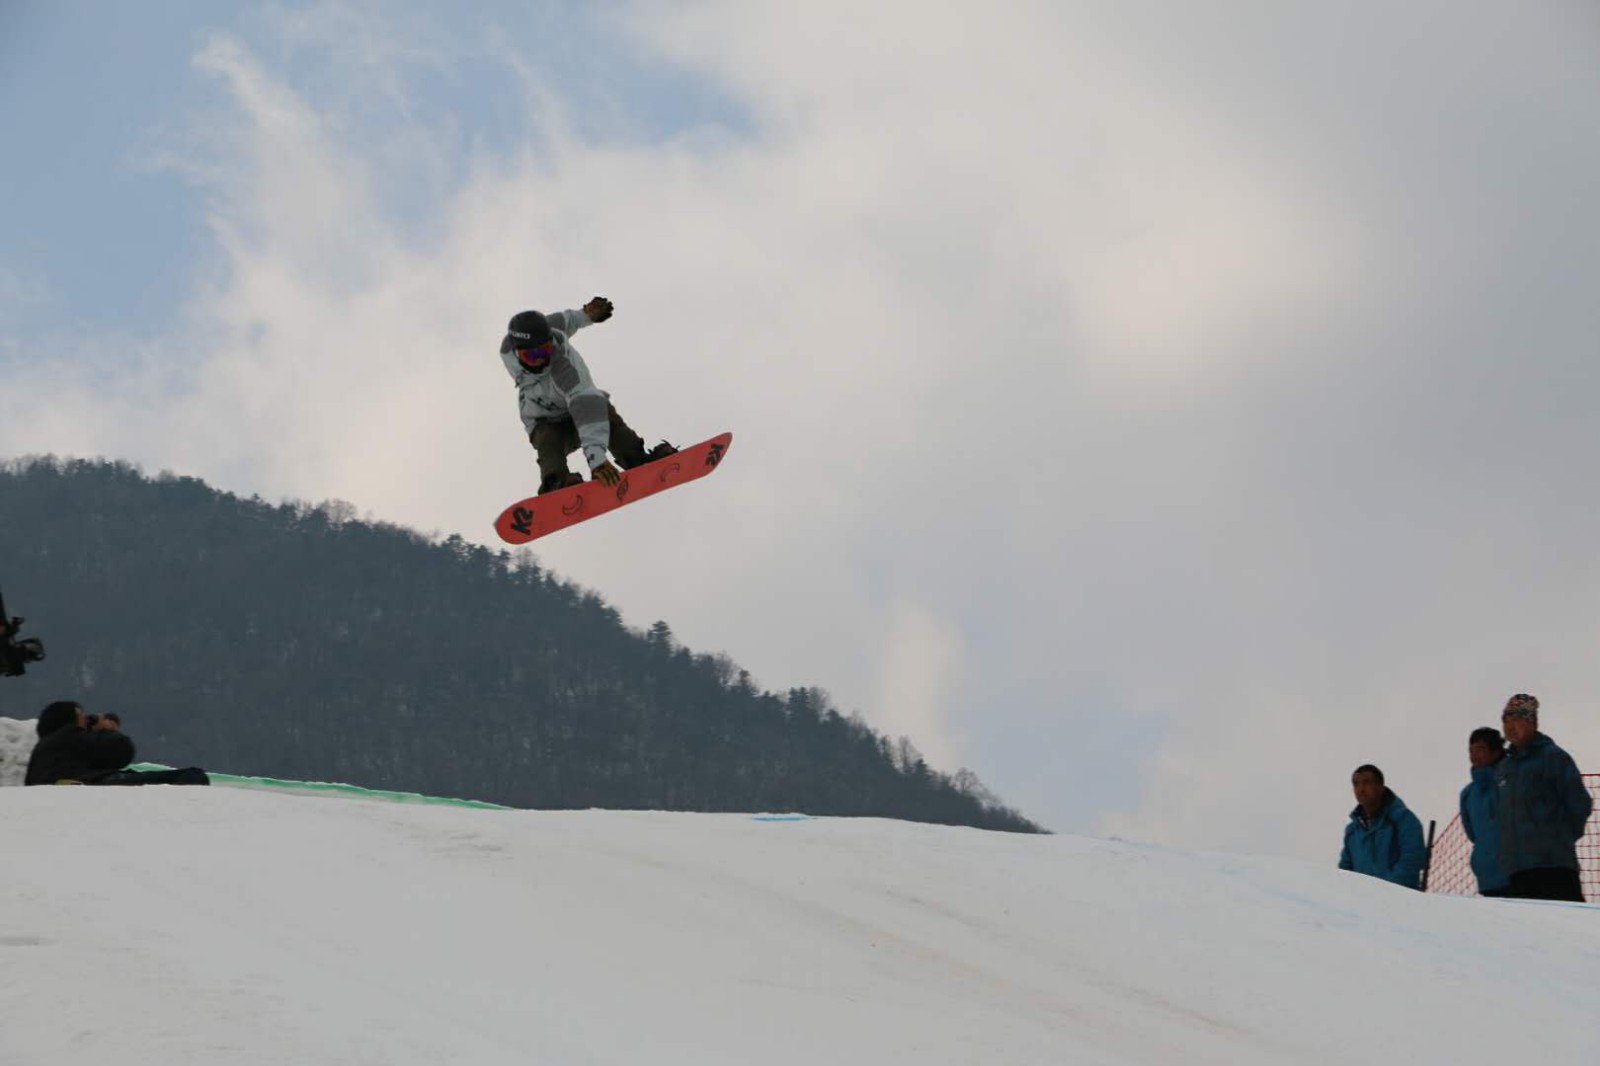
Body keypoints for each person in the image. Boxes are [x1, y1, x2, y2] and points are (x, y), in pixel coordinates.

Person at [499, 297, 676, 496]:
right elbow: (567, 320)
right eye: (531, 356)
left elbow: (588, 410)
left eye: (546, 350)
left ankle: (637, 459)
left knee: (608, 421)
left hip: (585, 409)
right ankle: (557, 482)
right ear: (515, 353)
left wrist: (597, 461)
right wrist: (586, 315)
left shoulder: (565, 369)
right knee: (548, 440)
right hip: (546, 420)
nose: (540, 359)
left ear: (551, 342)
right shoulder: (508, 347)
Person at [1494, 693, 1591, 902]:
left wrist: (1558, 838)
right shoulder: (1504, 768)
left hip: (1554, 867)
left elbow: (1579, 803)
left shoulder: (1553, 757)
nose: (1510, 726)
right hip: (1516, 870)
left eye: (1516, 719)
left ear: (1532, 723)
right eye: (1506, 720)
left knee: (1564, 929)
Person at [24, 701, 209, 787]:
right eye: (80, 716)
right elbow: (120, 751)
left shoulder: (44, 748)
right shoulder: (69, 736)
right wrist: (108, 730)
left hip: (76, 782)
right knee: (192, 776)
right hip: (90, 783)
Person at [1338, 764, 1426, 889]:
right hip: (1359, 905)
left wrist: (1384, 892)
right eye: (1356, 784)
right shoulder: (1352, 831)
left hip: (1401, 901)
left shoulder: (1404, 820)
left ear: (1381, 787)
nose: (1361, 789)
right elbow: (1345, 871)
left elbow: (1412, 861)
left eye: (1366, 782)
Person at [1458, 726, 1511, 897]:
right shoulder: (1468, 794)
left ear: (1496, 752)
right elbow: (1473, 834)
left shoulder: (1511, 781)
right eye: (1471, 750)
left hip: (1517, 875)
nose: (1474, 755)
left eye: (1480, 749)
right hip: (1487, 879)